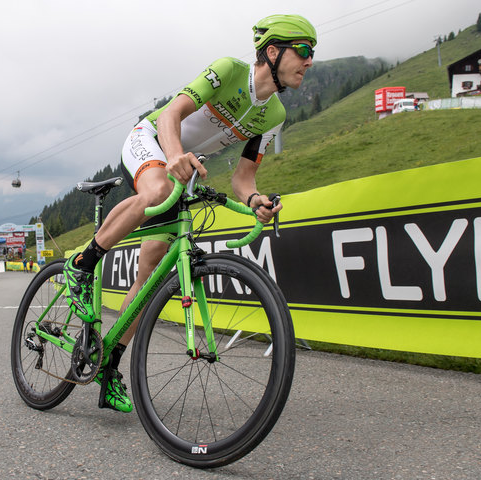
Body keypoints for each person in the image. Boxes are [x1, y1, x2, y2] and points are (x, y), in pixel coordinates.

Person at [63, 14, 317, 413]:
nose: (309, 61)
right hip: (151, 140)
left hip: (185, 168)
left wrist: (255, 202)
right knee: (159, 187)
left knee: (152, 274)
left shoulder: (274, 116)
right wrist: (175, 154)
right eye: (303, 51)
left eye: (312, 54)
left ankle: (109, 362)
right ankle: (83, 263)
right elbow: (170, 115)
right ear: (272, 51)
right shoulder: (228, 70)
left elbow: (243, 179)